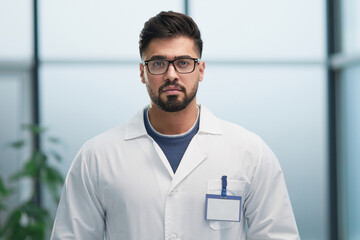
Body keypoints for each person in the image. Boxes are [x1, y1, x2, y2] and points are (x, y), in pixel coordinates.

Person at [50, 11, 299, 240]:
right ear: (142, 72)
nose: (171, 74)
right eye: (158, 63)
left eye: (183, 62)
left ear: (200, 70)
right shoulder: (97, 157)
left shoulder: (250, 152)